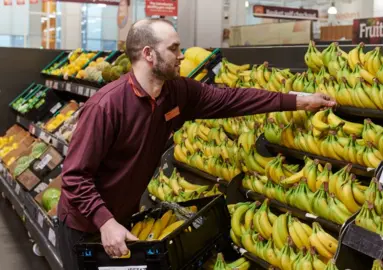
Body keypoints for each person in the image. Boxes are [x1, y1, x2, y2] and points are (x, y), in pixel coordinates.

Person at [57, 18, 336, 270]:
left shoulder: (176, 93)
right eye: (174, 48)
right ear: (148, 54)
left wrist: (298, 100)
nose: (181, 56)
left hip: (124, 218)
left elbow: (232, 99)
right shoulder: (107, 106)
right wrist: (105, 222)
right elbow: (74, 176)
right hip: (84, 226)